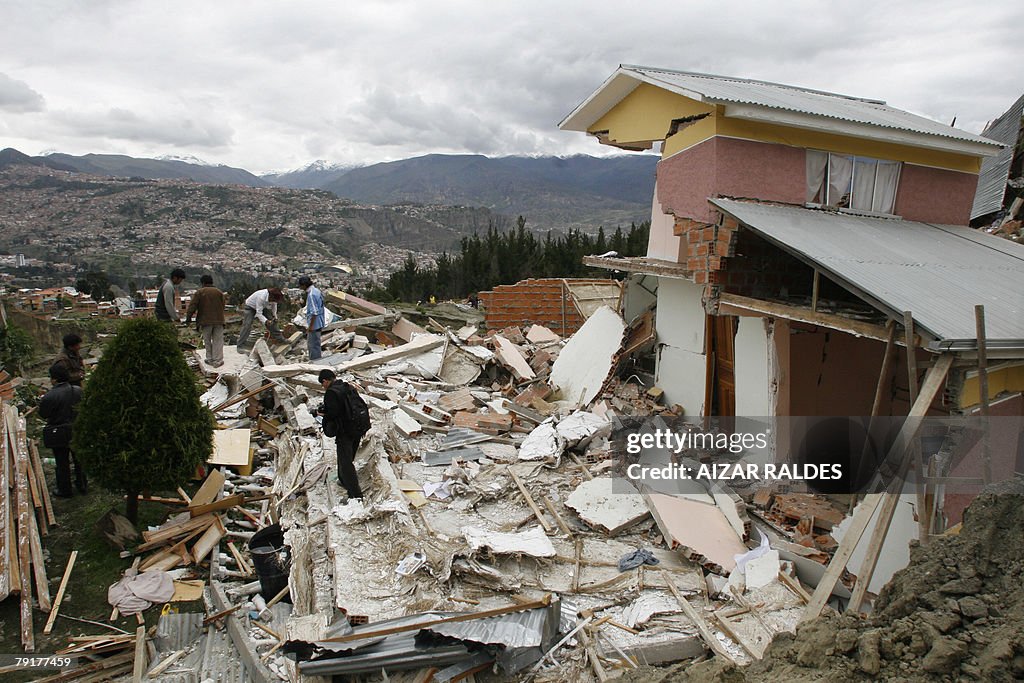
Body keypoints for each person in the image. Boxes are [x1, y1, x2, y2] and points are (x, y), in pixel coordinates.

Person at [318, 369, 368, 500]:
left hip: (345, 431)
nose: (323, 387)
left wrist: (322, 413)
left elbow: (333, 414)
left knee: (346, 463)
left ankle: (356, 495)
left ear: (325, 381)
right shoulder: (348, 387)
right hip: (358, 427)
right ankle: (343, 480)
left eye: (322, 384)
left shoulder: (331, 393)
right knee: (346, 457)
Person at [39, 363, 85, 498]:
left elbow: (44, 414)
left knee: (62, 462)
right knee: (79, 459)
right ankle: (82, 484)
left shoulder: (49, 396)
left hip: (58, 432)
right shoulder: (77, 390)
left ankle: (65, 490)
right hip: (76, 428)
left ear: (54, 379)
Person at [185, 274, 227, 367]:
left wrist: (188, 319)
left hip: (205, 321)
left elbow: (192, 306)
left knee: (207, 340)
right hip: (219, 320)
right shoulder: (219, 292)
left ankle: (209, 359)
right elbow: (223, 305)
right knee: (218, 340)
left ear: (203, 283)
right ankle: (218, 361)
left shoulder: (200, 292)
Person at [237, 287, 285, 351]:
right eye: (273, 300)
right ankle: (240, 345)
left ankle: (281, 339)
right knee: (247, 324)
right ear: (270, 297)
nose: (273, 302)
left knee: (273, 322)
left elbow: (274, 306)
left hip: (262, 306)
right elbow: (259, 313)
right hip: (250, 306)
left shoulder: (275, 296)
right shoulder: (261, 297)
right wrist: (266, 321)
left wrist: (275, 316)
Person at [298, 275, 325, 361]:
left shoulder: (311, 295)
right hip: (320, 322)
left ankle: (315, 362)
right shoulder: (316, 291)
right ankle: (318, 360)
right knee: (316, 344)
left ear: (304, 285)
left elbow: (314, 312)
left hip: (315, 324)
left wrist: (310, 327)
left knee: (312, 345)